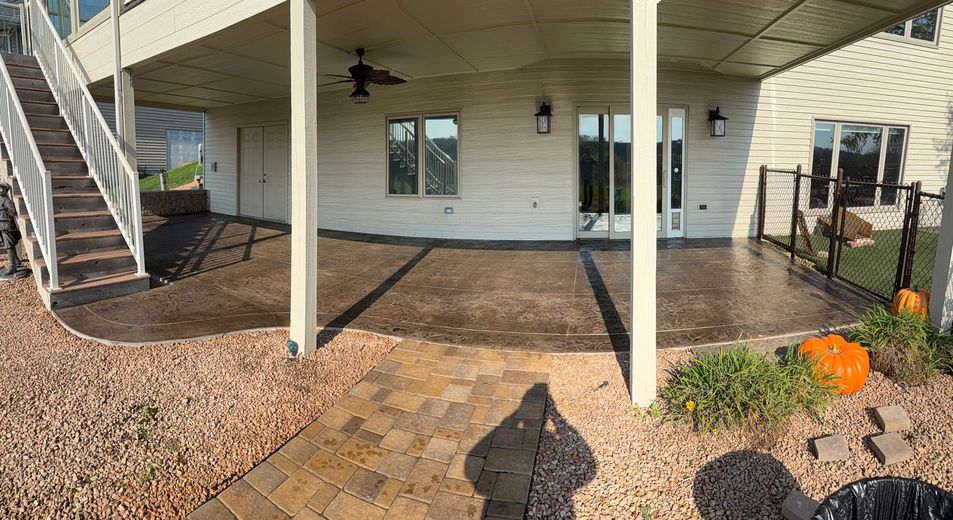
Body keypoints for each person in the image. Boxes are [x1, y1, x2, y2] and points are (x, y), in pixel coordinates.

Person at [0, 181, 26, 279]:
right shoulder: (0, 200)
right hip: (1, 226)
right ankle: (17, 261)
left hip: (7, 226)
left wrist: (4, 209)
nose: (0, 190)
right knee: (6, 245)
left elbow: (13, 212)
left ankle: (12, 266)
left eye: (2, 188)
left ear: (6, 190)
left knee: (9, 246)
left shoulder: (7, 201)